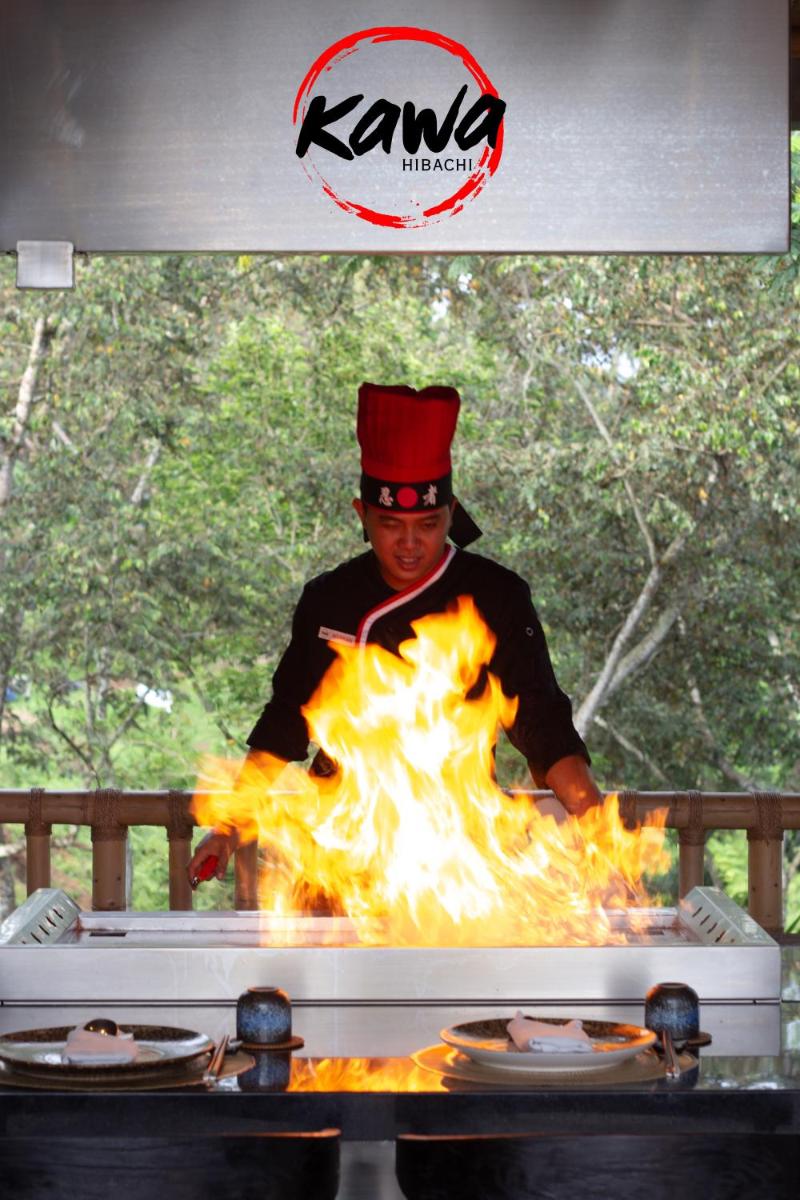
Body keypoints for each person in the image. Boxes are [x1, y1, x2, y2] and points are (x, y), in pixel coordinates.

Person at [187, 382, 602, 885]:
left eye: (427, 524)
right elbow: (285, 722)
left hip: (452, 846)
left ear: (451, 513)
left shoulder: (496, 596)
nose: (409, 544)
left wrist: (596, 825)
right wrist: (228, 828)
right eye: (390, 524)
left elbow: (542, 725)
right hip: (340, 842)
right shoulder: (329, 597)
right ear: (361, 514)